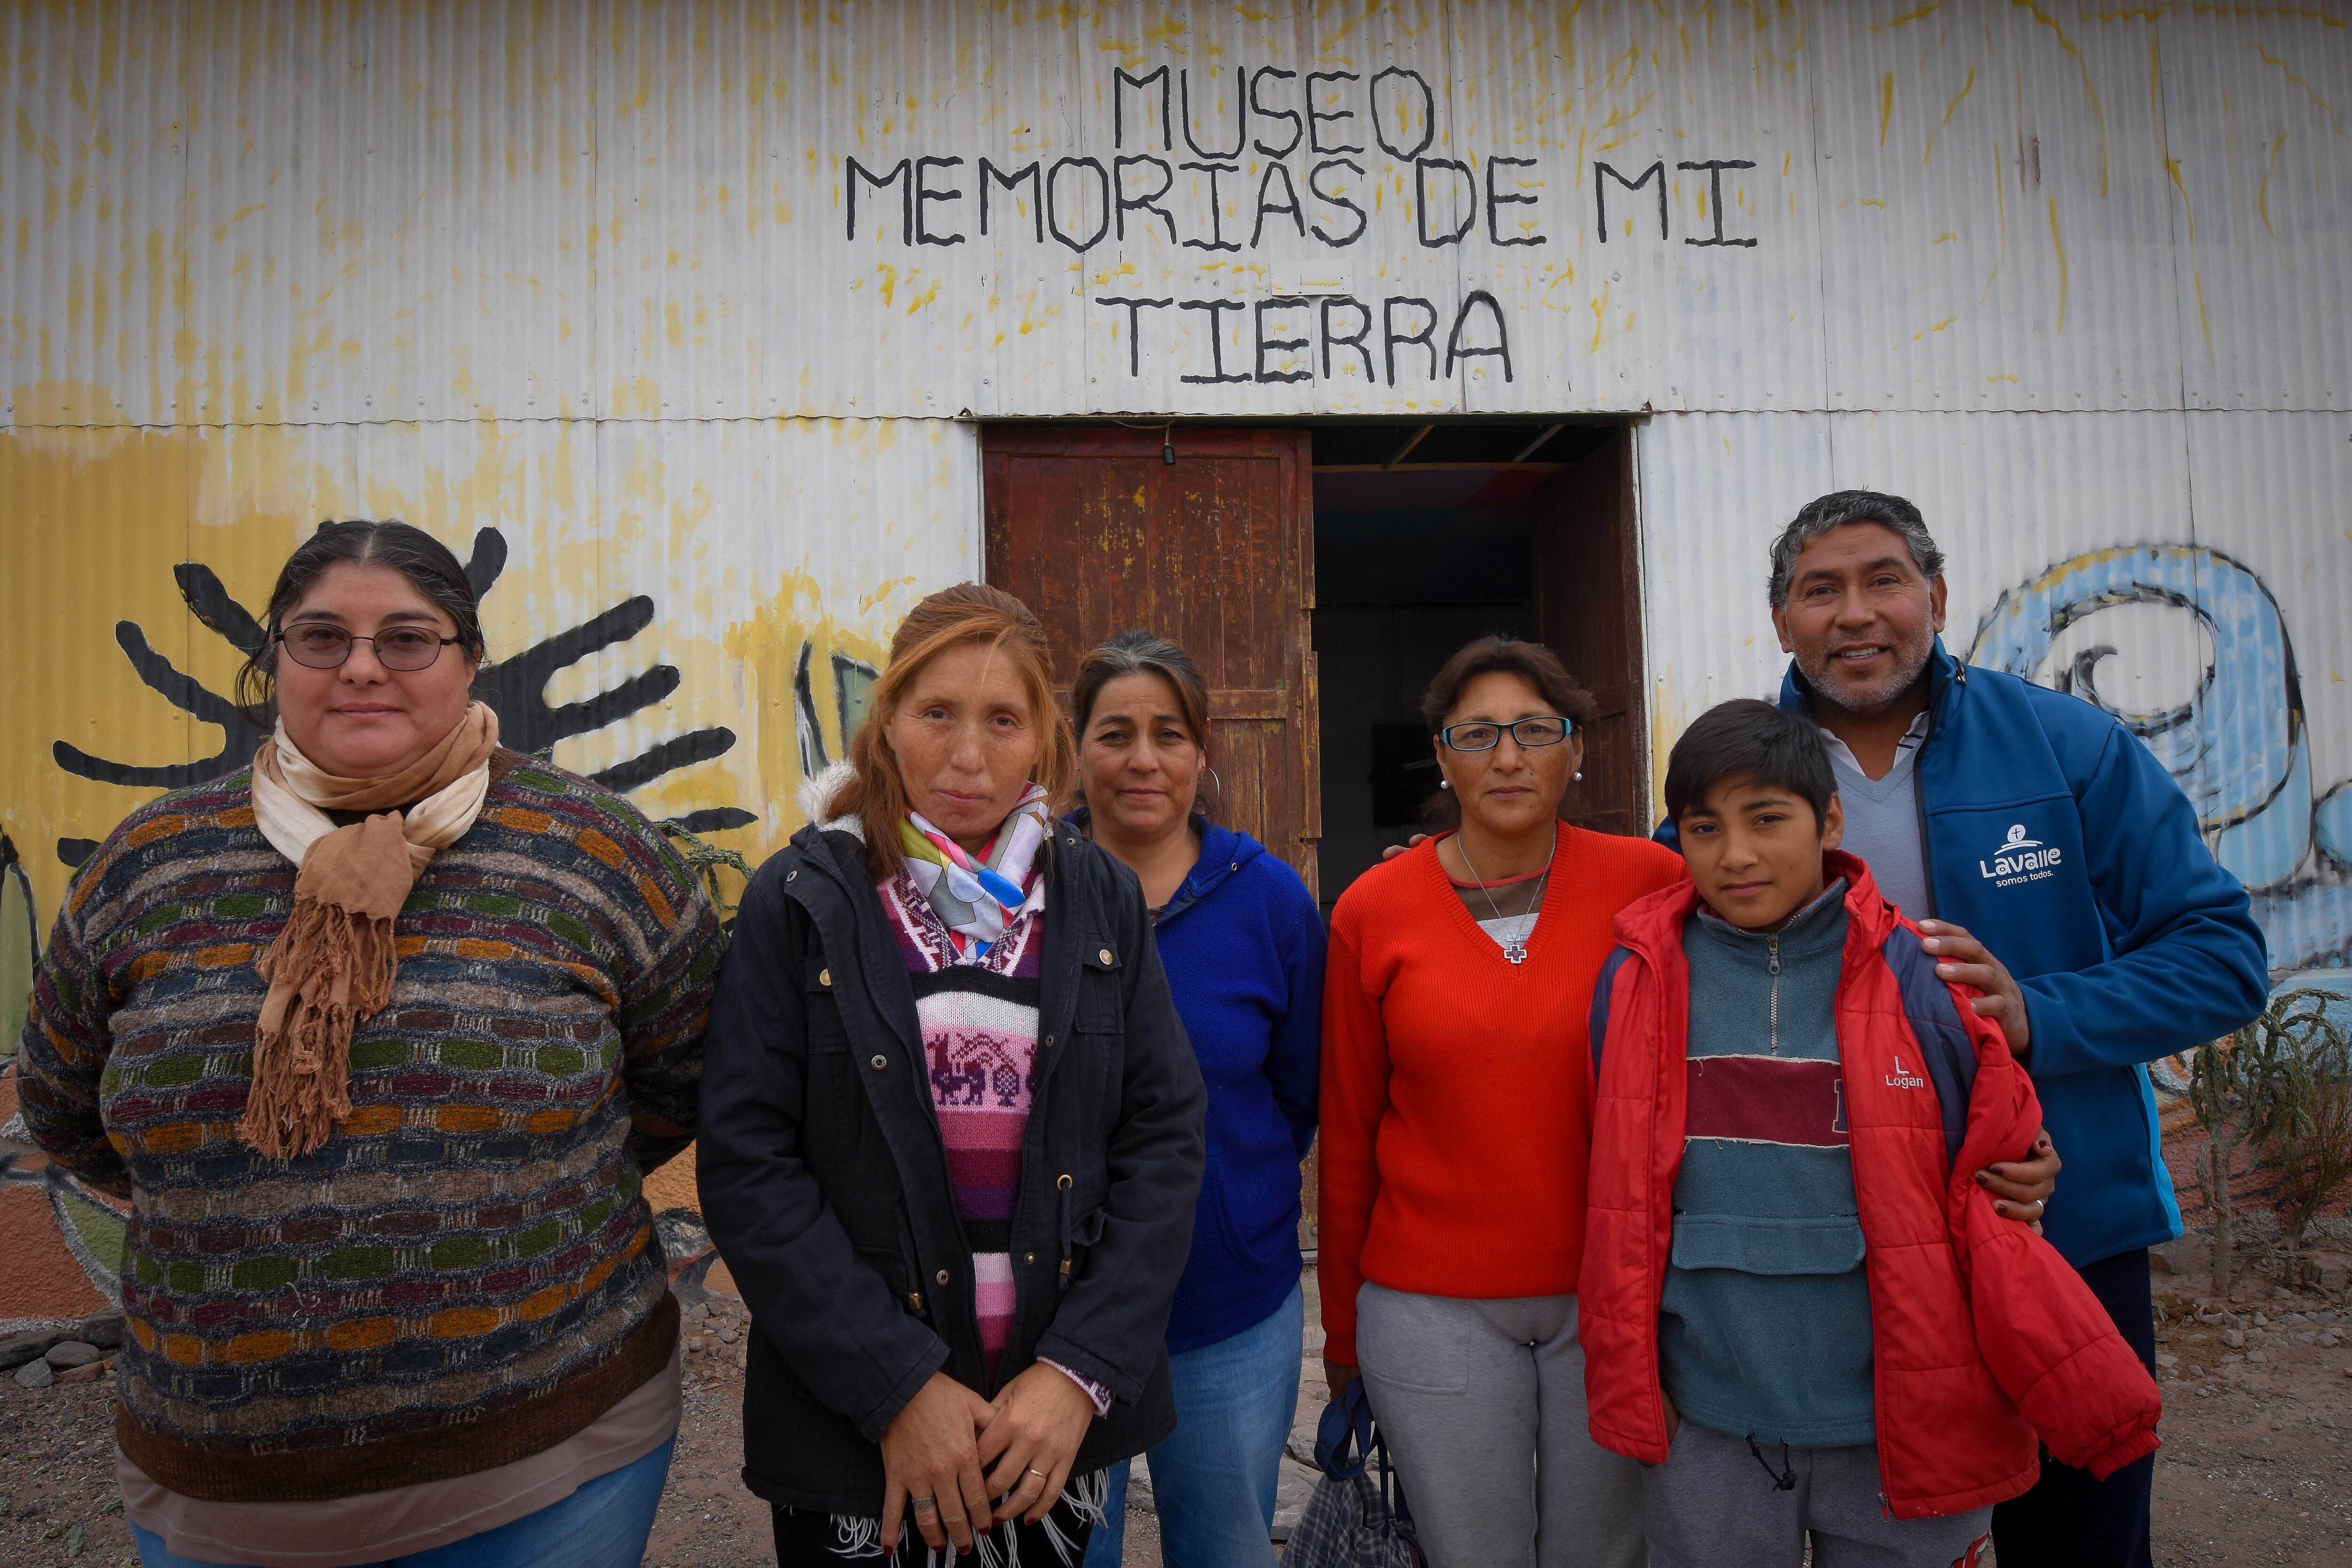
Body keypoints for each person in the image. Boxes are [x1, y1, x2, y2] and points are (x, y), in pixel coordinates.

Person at [17, 520, 717, 1568]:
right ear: (275, 663)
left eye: (406, 637)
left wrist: (519, 1185)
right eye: (319, 636)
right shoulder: (147, 868)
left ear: (468, 659)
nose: (359, 667)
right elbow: (68, 1112)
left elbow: (682, 1080)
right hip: (222, 1489)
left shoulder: (597, 852)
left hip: (551, 1463)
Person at [1733, 491, 2270, 1568]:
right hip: (1846, 1252)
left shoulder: (2065, 746)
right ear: (1780, 621)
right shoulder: (1735, 779)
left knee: (2083, 1538)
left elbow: (2223, 958)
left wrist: (2039, 1012)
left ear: (1935, 595)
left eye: (1883, 579)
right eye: (1819, 589)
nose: (1855, 613)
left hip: (2062, 1228)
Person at [1581, 700, 2163, 1567]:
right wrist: (1641, 1375)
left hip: (1901, 1418)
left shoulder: (1926, 979)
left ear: (1832, 819)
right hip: (1708, 1416)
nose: (1735, 854)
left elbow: (1998, 1153)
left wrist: (2022, 1171)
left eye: (1768, 819)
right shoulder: (1637, 981)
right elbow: (1624, 1193)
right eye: (1705, 828)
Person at [695, 584, 1207, 1566]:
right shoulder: (802, 898)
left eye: (1001, 719)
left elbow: (1164, 1135)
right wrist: (897, 1386)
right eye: (937, 713)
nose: (968, 754)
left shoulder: (1095, 892)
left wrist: (1078, 1370)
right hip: (862, 1425)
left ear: (1041, 739)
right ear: (885, 721)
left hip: (1044, 1425)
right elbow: (750, 1164)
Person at [1317, 636, 1687, 1568]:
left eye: (1533, 729)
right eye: (1477, 732)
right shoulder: (1372, 908)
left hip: (1614, 1295)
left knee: (1602, 1555)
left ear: (1575, 749)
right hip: (1433, 1307)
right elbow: (1352, 1128)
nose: (1508, 756)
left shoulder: (1652, 883)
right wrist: (1342, 1328)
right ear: (1441, 754)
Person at [1066, 631, 1323, 1568]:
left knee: (1223, 1549)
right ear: (1075, 745)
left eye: (1167, 733)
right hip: (1056, 1316)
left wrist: (1225, 1204)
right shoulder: (1024, 891)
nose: (1143, 758)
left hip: (1228, 1311)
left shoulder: (1269, 900)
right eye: (1115, 732)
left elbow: (1297, 1090)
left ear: (1202, 747)